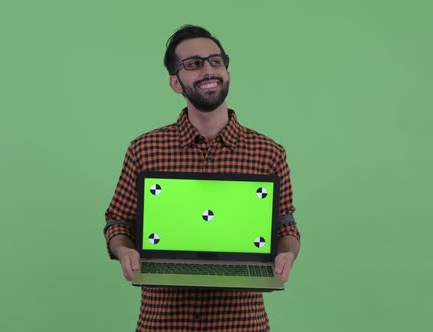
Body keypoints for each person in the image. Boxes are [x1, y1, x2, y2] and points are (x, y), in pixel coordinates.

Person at [104, 25, 301, 331]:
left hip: (241, 324)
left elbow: (286, 227)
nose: (208, 69)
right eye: (193, 64)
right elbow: (118, 221)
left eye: (216, 61)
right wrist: (124, 248)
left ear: (228, 72)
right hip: (163, 323)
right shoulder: (144, 149)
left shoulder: (268, 152)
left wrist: (287, 254)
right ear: (175, 83)